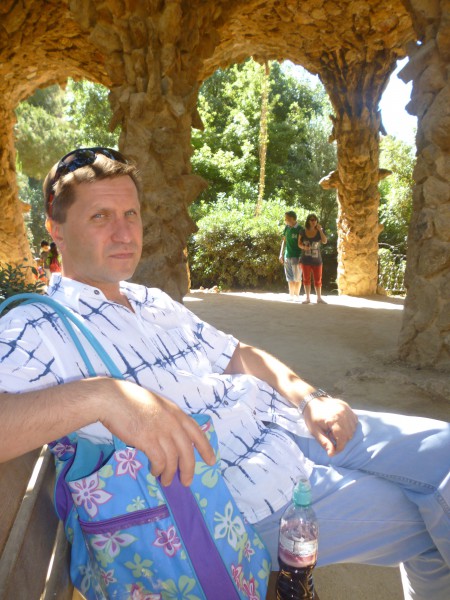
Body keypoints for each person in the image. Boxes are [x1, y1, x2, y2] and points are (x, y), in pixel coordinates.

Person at [0, 147, 449, 600]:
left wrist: (310, 398)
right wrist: (103, 396)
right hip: (244, 496)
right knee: (435, 522)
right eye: (100, 216)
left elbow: (238, 355)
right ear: (56, 229)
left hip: (287, 426)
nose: (124, 232)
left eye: (131, 214)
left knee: (444, 450)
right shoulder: (38, 326)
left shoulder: (151, 299)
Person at [298, 213, 328, 304]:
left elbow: (324, 241)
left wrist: (320, 230)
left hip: (317, 259)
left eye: (315, 220)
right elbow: (299, 244)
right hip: (305, 259)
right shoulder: (303, 231)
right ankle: (307, 298)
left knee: (318, 279)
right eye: (311, 220)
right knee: (306, 279)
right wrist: (304, 247)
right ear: (308, 221)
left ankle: (319, 298)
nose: (313, 221)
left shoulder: (319, 231)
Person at [279, 210, 303, 301]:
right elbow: (283, 241)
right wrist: (281, 253)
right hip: (287, 255)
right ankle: (291, 295)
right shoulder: (287, 228)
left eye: (287, 218)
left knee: (297, 277)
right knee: (289, 277)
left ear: (292, 218)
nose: (285, 220)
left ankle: (297, 296)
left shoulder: (300, 229)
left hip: (297, 256)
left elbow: (303, 243)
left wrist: (302, 256)